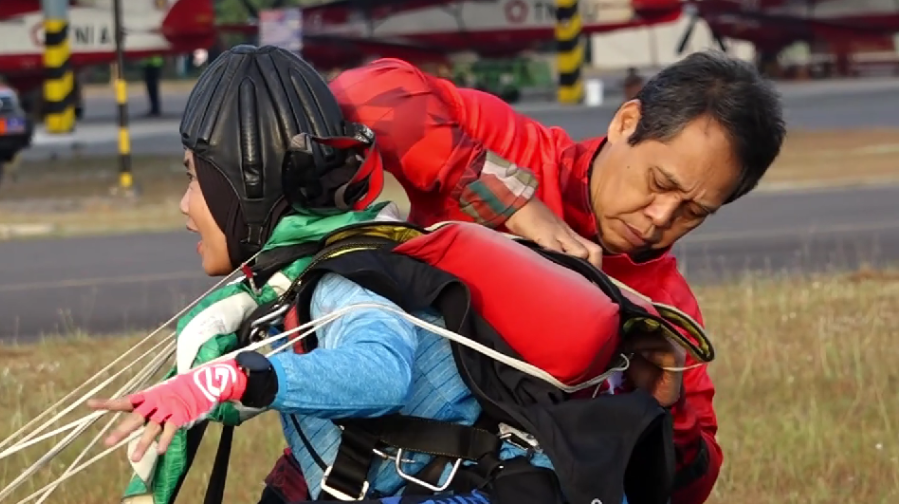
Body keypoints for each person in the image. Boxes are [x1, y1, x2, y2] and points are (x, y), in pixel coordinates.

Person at [88, 45, 694, 504]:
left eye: (194, 178)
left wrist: (228, 380)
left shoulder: (342, 277)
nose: (184, 205)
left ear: (241, 188)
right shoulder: (299, 275)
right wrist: (205, 389)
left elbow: (378, 370)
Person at [313, 50, 786, 504]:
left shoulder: (666, 311)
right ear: (626, 123)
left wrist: (666, 405)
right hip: (345, 464)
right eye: (660, 184)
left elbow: (690, 487)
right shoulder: (513, 149)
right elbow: (360, 92)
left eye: (694, 211)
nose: (661, 217)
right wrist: (513, 203)